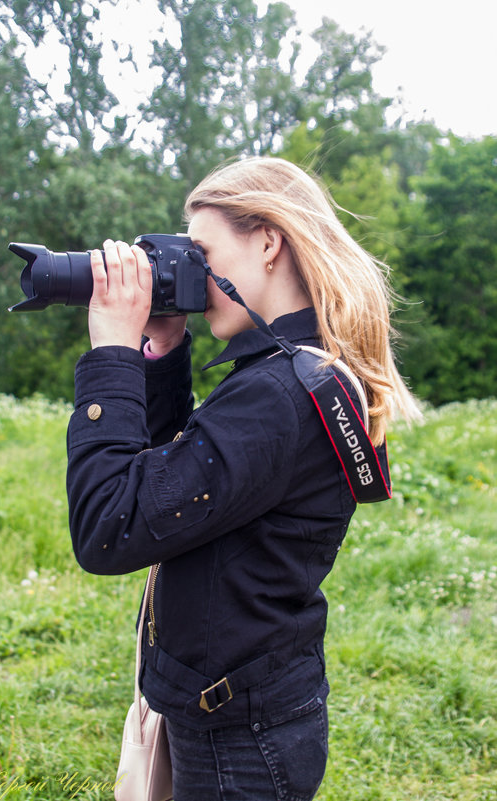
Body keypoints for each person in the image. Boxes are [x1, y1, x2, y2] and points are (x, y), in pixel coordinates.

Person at [67, 156, 420, 801]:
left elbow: (109, 528)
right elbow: (180, 488)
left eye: (203, 253)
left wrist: (110, 356)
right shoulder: (299, 373)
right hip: (246, 716)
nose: (194, 277)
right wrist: (163, 353)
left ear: (266, 242)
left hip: (239, 744)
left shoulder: (277, 396)